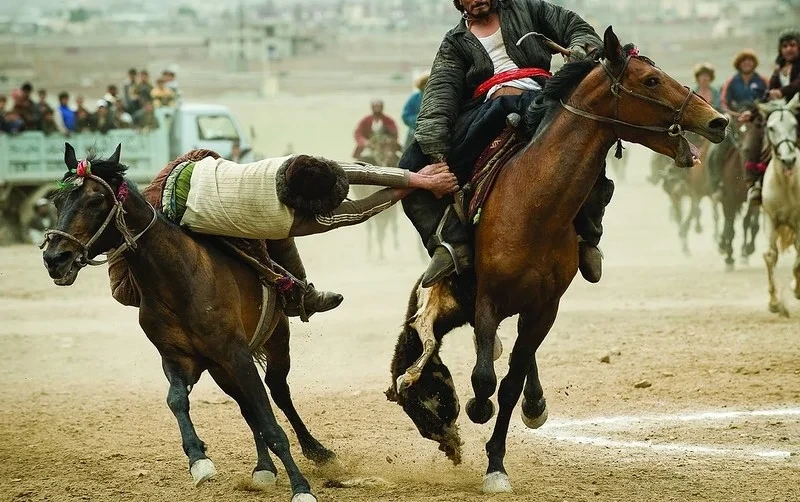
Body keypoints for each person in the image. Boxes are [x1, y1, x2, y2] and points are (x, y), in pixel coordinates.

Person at [399, 0, 613, 287]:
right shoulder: (455, 42)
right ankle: (449, 243)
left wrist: (580, 49)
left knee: (586, 149)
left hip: (543, 99)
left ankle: (587, 237)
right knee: (412, 165)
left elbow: (576, 28)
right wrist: (435, 149)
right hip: (486, 110)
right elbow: (441, 92)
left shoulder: (528, 8)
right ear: (459, 2)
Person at [106, 151, 458, 318]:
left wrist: (419, 179)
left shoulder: (289, 165)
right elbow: (359, 211)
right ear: (310, 208)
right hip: (173, 216)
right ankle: (299, 297)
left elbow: (355, 171)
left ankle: (303, 294)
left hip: (182, 167)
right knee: (257, 257)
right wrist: (417, 184)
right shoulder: (287, 222)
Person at [742, 30, 800, 206]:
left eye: (792, 45)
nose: (789, 49)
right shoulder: (778, 69)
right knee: (751, 143)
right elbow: (768, 94)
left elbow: (797, 84)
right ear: (780, 49)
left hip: (797, 111)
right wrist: (752, 112)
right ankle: (755, 184)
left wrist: (782, 91)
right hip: (778, 113)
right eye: (785, 46)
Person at [720, 50, 768, 114]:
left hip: (759, 115)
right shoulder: (730, 81)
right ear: (738, 64)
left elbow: (769, 99)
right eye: (743, 61)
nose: (747, 63)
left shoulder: (764, 80)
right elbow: (724, 102)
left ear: (754, 63)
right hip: (737, 114)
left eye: (750, 60)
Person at [402, 71, 430, 149]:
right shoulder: (415, 98)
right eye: (425, 83)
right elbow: (405, 116)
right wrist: (419, 120)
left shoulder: (438, 97)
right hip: (414, 132)